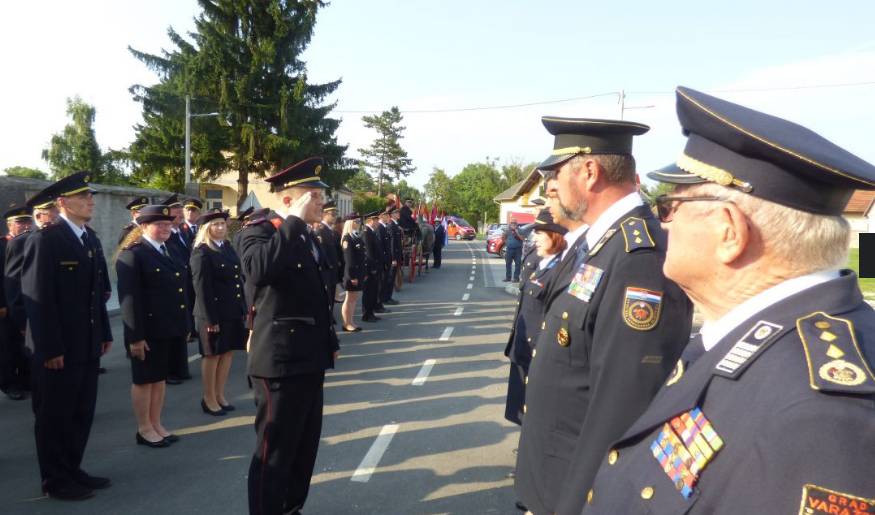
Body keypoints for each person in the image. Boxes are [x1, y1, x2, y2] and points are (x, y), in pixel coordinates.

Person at [583, 86, 875, 514]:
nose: (663, 223)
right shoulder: (761, 338)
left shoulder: (822, 417)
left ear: (728, 232)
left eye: (670, 206)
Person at [514, 116, 694, 515]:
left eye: (557, 173)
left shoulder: (637, 258)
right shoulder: (602, 244)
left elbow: (623, 407)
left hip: (574, 492)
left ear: (590, 171)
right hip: (552, 474)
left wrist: (576, 504)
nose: (553, 186)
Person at [239, 157, 339, 515]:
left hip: (310, 358)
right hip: (279, 362)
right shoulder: (258, 231)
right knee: (275, 451)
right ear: (288, 201)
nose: (321, 203)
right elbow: (259, 270)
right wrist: (292, 222)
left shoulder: (308, 237)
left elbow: (316, 294)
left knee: (304, 446)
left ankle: (290, 507)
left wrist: (331, 341)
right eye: (313, 196)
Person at [22, 172, 114, 500]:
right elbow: (39, 299)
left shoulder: (88, 238)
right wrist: (49, 349)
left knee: (80, 412)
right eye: (83, 197)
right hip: (57, 348)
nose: (91, 201)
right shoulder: (45, 239)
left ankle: (73, 468)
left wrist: (103, 332)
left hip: (86, 343)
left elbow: (95, 295)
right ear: (62, 203)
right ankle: (55, 479)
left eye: (90, 196)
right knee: (54, 416)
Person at [116, 205, 189, 448]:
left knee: (159, 380)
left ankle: (156, 423)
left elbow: (180, 290)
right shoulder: (133, 254)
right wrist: (135, 337)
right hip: (146, 331)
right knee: (144, 380)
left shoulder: (170, 250)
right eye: (160, 224)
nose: (166, 228)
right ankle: (144, 428)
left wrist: (183, 324)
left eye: (168, 224)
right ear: (144, 227)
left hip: (167, 327)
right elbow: (129, 300)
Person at [504, 208, 567, 426]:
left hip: (537, 351)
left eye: (540, 233)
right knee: (521, 408)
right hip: (523, 346)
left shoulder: (561, 269)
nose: (535, 238)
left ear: (556, 236)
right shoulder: (540, 260)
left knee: (534, 414)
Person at [190, 209, 247, 415]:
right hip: (212, 313)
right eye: (215, 224)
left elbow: (237, 281)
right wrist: (210, 318)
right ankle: (209, 397)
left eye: (223, 223)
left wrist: (242, 308)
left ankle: (220, 394)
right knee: (212, 355)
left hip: (231, 310)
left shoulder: (228, 247)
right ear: (207, 228)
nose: (221, 227)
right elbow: (201, 288)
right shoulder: (202, 252)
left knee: (227, 352)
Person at [0, 205, 32, 400]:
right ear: (9, 225)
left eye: (28, 221)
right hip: (5, 306)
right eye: (20, 222)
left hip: (25, 302)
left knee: (26, 345)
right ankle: (10, 383)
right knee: (7, 347)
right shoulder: (2, 245)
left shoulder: (33, 243)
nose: (25, 226)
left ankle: (27, 380)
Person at [161, 193, 193, 384]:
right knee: (172, 330)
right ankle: (169, 371)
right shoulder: (167, 237)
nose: (180, 212)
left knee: (181, 327)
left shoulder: (181, 232)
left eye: (180, 209)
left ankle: (180, 368)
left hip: (184, 283)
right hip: (173, 285)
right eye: (175, 209)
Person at [315, 201, 342, 313]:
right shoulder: (321, 230)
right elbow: (322, 254)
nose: (335, 217)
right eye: (332, 214)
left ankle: (330, 318)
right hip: (326, 272)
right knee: (326, 300)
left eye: (335, 214)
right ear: (324, 214)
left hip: (332, 271)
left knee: (331, 299)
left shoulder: (331, 231)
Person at [340, 213, 365, 332]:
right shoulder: (347, 238)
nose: (359, 223)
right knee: (349, 298)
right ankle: (346, 323)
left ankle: (351, 321)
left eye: (359, 221)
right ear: (350, 223)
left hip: (358, 273)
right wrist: (352, 276)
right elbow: (349, 260)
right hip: (351, 274)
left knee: (354, 299)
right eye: (356, 221)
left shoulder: (356, 236)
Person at [361, 211, 384, 322]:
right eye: (376, 220)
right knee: (369, 292)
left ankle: (371, 312)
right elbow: (369, 253)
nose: (377, 222)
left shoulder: (372, 232)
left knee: (373, 291)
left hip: (375, 266)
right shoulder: (366, 232)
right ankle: (366, 314)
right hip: (370, 267)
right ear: (370, 221)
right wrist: (373, 268)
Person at [377, 209, 394, 311]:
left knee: (384, 282)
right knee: (381, 283)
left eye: (388, 215)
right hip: (383, 260)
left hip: (386, 259)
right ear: (381, 216)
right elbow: (380, 247)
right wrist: (384, 260)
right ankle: (379, 303)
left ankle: (381, 302)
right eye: (386, 215)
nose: (388, 217)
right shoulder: (380, 228)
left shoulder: (384, 227)